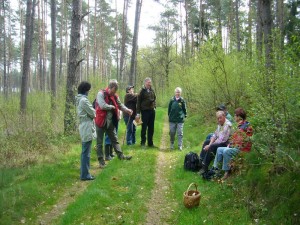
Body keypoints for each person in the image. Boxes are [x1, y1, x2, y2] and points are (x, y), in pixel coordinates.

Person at [95, 79, 133, 168]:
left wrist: (127, 110)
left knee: (114, 139)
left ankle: (121, 156)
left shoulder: (115, 96)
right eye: (113, 91)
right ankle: (101, 162)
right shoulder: (100, 94)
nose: (113, 93)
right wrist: (111, 107)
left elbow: (120, 105)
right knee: (99, 143)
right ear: (110, 87)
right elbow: (102, 105)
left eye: (115, 91)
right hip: (100, 121)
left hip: (109, 121)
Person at [210, 108, 253, 180]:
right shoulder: (239, 126)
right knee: (219, 149)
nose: (234, 117)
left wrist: (230, 145)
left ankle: (227, 172)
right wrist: (230, 144)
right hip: (237, 147)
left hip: (243, 149)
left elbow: (242, 141)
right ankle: (215, 170)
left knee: (226, 151)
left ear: (239, 117)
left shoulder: (245, 126)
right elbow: (234, 139)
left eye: (235, 115)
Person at [200, 111, 232, 179]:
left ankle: (205, 167)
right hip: (220, 142)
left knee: (212, 146)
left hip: (226, 144)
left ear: (224, 116)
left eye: (220, 118)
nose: (219, 120)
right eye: (218, 118)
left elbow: (222, 139)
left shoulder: (227, 125)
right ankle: (201, 163)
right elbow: (215, 135)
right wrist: (209, 143)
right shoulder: (220, 124)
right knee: (207, 142)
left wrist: (210, 145)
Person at [75, 81, 96, 181]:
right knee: (86, 152)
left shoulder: (79, 99)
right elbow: (93, 113)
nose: (89, 92)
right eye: (88, 90)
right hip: (86, 126)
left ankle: (85, 173)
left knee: (85, 151)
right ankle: (85, 174)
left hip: (83, 125)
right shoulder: (83, 100)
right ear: (86, 90)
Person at [136, 77, 156, 148]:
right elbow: (138, 103)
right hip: (144, 111)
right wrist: (138, 113)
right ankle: (143, 143)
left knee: (151, 128)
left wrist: (154, 107)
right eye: (148, 82)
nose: (149, 84)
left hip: (152, 111)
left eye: (150, 82)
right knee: (144, 127)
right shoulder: (141, 91)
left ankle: (150, 143)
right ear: (145, 83)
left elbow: (154, 99)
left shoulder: (152, 90)